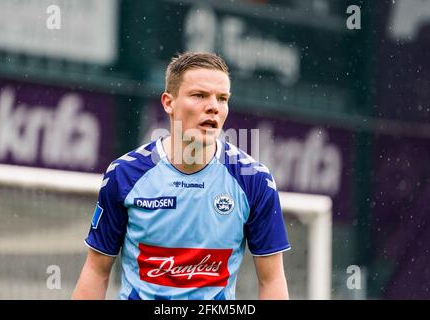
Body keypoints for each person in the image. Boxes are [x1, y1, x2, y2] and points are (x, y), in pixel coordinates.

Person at [72, 52, 291, 300]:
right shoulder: (124, 174)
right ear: (168, 103)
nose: (213, 107)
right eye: (199, 95)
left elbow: (272, 279)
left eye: (222, 98)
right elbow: (96, 270)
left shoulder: (254, 179)